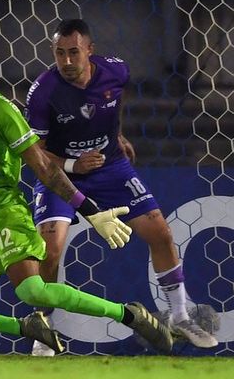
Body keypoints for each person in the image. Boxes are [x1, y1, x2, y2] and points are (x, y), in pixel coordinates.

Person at [0, 37, 173, 355]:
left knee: (34, 291)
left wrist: (89, 210)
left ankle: (129, 315)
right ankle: (23, 327)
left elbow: (45, 167)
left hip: (4, 214)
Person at [23, 19, 217, 355]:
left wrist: (117, 135)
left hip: (109, 165)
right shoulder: (43, 92)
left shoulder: (116, 71)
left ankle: (180, 315)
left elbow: (115, 101)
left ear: (90, 51)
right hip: (60, 173)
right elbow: (35, 154)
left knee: (160, 232)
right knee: (50, 249)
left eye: (73, 52)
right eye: (59, 54)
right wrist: (72, 165)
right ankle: (44, 327)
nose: (66, 61)